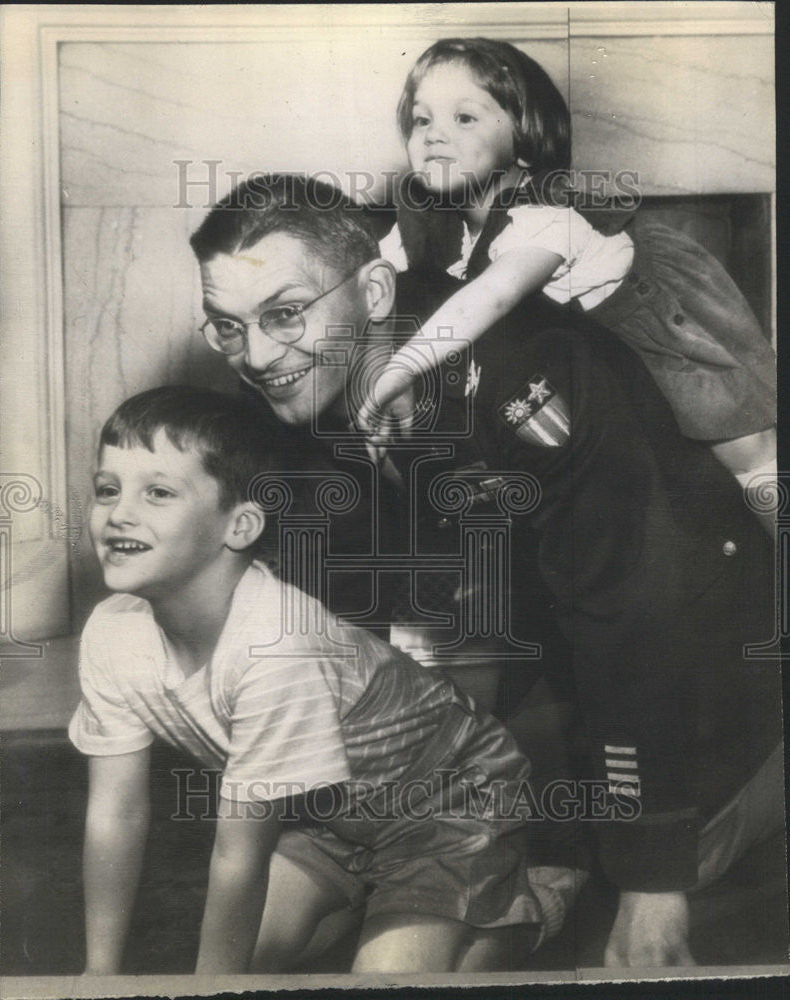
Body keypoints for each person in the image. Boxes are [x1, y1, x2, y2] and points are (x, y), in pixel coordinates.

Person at [189, 173, 783, 968]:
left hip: (716, 656)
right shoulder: (317, 376)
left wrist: (651, 880)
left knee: (624, 879)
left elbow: (634, 617)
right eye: (228, 327)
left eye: (284, 315)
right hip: (557, 660)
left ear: (371, 291)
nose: (258, 356)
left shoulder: (517, 375)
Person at [69, 385, 580, 975]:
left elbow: (240, 854)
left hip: (447, 804)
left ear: (239, 526)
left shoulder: (276, 645)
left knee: (374, 983)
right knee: (239, 953)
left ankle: (532, 905)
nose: (119, 512)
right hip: (326, 817)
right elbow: (118, 813)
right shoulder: (113, 633)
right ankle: (373, 910)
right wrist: (96, 974)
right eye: (107, 489)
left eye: (158, 492)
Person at [358, 38, 776, 530]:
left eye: (464, 118)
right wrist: (372, 359)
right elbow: (365, 281)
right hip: (581, 356)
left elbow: (490, 297)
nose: (433, 135)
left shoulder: (546, 213)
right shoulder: (430, 215)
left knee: (750, 456)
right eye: (422, 120)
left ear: (526, 140)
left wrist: (396, 372)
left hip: (650, 333)